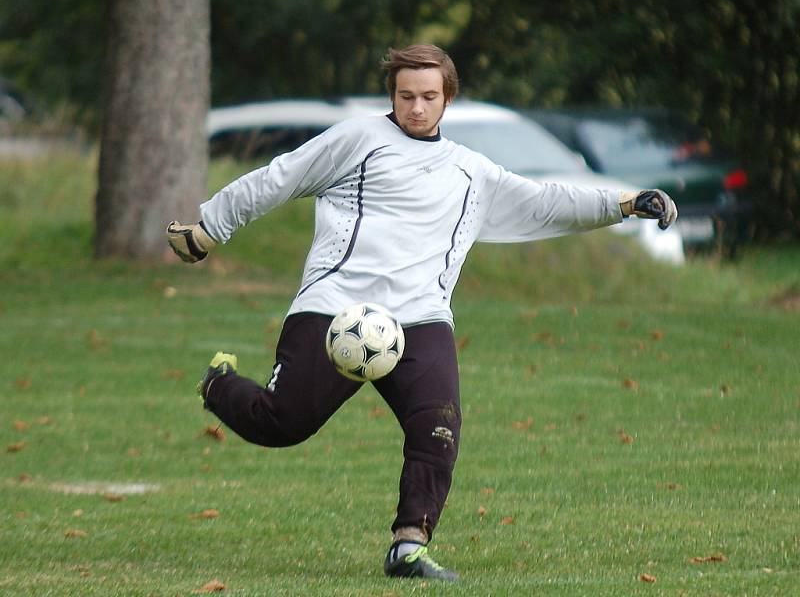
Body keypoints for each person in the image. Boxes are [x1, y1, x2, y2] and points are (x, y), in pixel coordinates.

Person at [167, 44, 677, 581]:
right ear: (393, 94)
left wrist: (622, 203)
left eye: (428, 97)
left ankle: (408, 545)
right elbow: (279, 176)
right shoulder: (358, 139)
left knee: (438, 425)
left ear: (447, 98)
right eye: (406, 96)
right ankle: (218, 384)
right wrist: (208, 228)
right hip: (337, 308)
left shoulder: (469, 172)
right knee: (281, 423)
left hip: (421, 318)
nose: (416, 107)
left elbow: (545, 201)